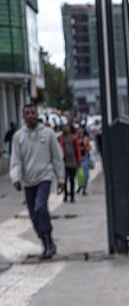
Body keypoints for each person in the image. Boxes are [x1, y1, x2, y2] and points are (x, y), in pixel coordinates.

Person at [10, 105, 63, 260]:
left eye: (33, 113)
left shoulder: (48, 134)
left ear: (37, 115)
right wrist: (16, 178)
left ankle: (48, 238)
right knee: (33, 215)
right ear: (23, 116)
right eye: (27, 113)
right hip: (28, 181)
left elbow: (56, 158)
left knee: (40, 207)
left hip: (44, 177)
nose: (30, 115)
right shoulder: (19, 137)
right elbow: (16, 161)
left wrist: (60, 179)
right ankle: (46, 241)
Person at [58, 123, 81, 202]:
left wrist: (78, 161)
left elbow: (77, 150)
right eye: (64, 128)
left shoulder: (73, 138)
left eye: (67, 128)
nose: (65, 129)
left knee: (72, 180)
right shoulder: (60, 138)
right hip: (64, 162)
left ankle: (72, 195)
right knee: (64, 180)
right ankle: (65, 195)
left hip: (72, 162)